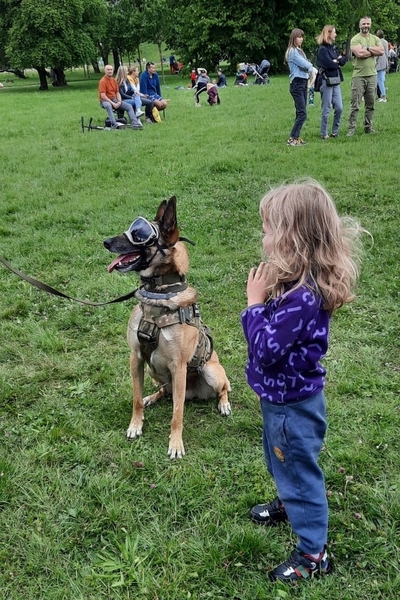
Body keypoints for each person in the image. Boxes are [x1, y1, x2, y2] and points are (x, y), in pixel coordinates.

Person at [241, 179, 365, 583]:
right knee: (281, 461)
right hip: (280, 400)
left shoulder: (302, 298)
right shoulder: (297, 284)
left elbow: (265, 350)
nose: (263, 236)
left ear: (294, 237)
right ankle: (287, 500)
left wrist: (254, 305)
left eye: (269, 228)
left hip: (291, 406)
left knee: (297, 469)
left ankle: (313, 554)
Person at [347, 16, 383, 136]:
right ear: (359, 25)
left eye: (368, 24)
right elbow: (359, 53)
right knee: (355, 104)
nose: (366, 26)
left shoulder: (375, 38)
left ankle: (368, 127)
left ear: (370, 25)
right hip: (359, 76)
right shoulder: (355, 39)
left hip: (372, 75)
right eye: (363, 24)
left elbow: (381, 51)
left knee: (371, 104)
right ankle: (351, 129)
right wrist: (373, 51)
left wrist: (367, 48)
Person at [316, 25, 347, 139]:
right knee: (326, 108)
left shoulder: (333, 48)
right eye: (334, 32)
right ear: (328, 34)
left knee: (339, 107)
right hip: (326, 80)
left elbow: (343, 60)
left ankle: (335, 131)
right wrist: (336, 62)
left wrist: (337, 61)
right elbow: (329, 64)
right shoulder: (322, 50)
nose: (336, 34)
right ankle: (324, 133)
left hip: (336, 80)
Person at [285, 28, 314, 146]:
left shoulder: (299, 51)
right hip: (297, 83)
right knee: (303, 113)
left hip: (302, 82)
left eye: (302, 37)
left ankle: (296, 137)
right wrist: (312, 67)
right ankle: (292, 138)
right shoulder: (292, 52)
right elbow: (305, 64)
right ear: (293, 38)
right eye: (298, 37)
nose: (301, 39)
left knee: (300, 112)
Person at [376, 30, 388, 102]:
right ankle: (382, 95)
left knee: (380, 81)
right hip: (384, 62)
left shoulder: (378, 42)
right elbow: (386, 53)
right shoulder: (386, 42)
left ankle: (383, 97)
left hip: (379, 63)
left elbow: (377, 53)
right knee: (382, 79)